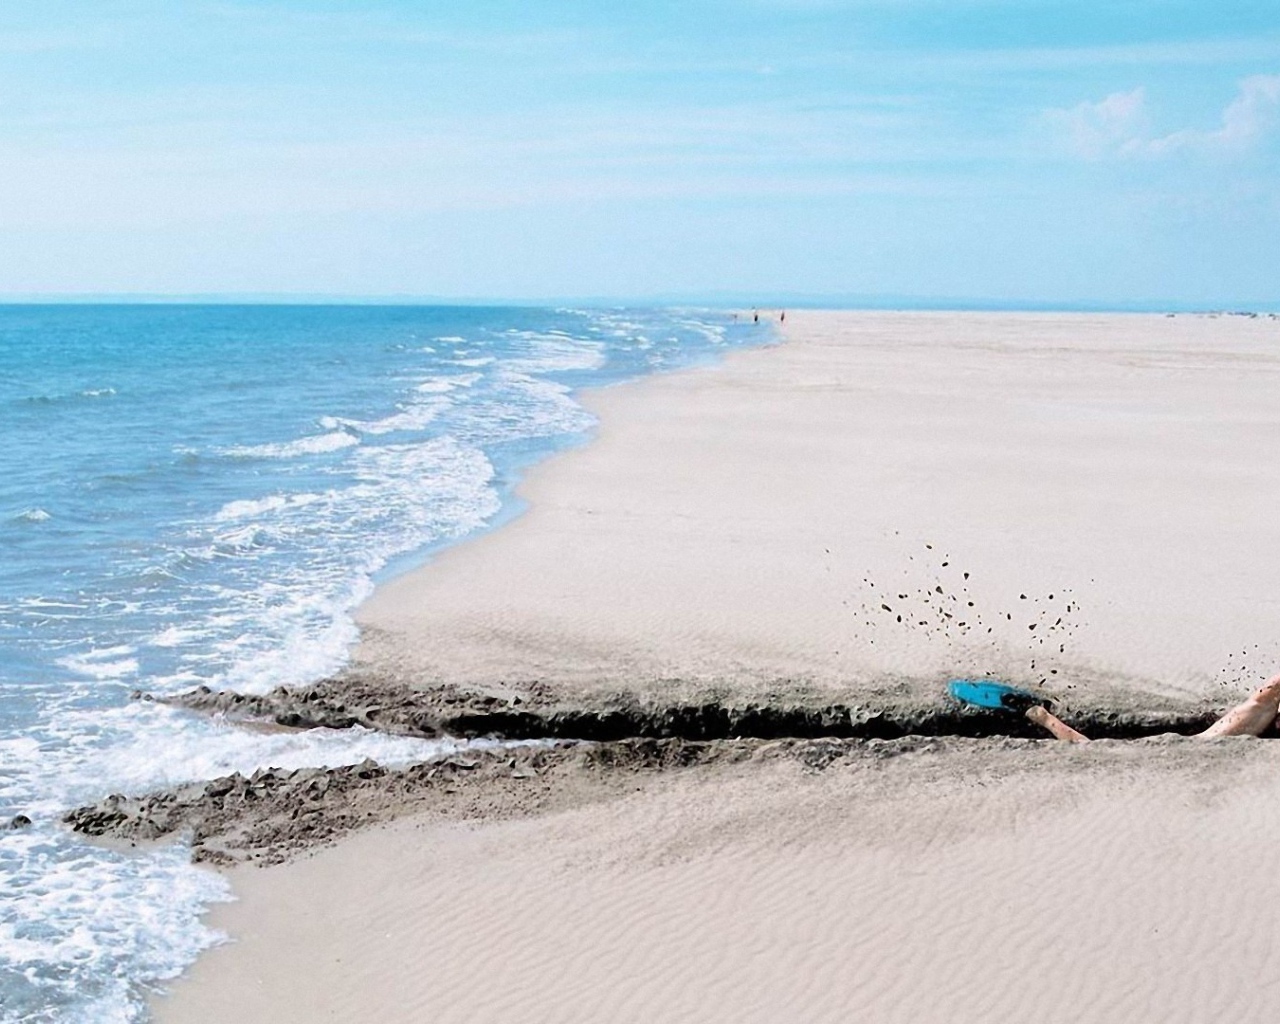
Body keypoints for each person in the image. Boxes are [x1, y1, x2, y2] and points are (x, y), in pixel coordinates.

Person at [1027, 673, 1280, 743]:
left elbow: (1267, 694)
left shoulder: (1247, 723)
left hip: (1176, 736)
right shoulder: (1242, 726)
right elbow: (1264, 696)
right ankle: (1041, 716)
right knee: (1090, 747)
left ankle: (1043, 716)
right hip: (1182, 738)